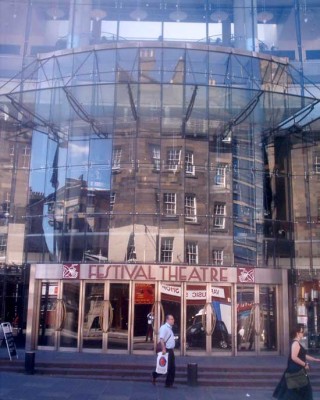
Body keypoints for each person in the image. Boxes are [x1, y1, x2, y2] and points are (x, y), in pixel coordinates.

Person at [273, 323, 320, 399]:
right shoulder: (295, 343)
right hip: (296, 370)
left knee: (296, 390)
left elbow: (302, 355)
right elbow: (294, 357)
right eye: (302, 332)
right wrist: (305, 364)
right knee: (302, 390)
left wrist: (314, 359)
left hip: (296, 370)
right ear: (297, 333)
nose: (303, 333)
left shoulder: (297, 343)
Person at [152, 314, 176, 388]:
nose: (173, 320)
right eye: (171, 319)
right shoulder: (164, 328)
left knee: (172, 368)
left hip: (170, 350)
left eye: (173, 319)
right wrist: (163, 349)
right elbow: (161, 339)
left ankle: (169, 384)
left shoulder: (169, 328)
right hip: (166, 350)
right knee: (166, 368)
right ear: (167, 320)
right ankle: (154, 375)